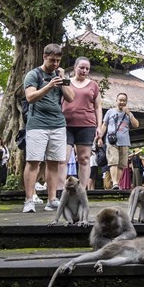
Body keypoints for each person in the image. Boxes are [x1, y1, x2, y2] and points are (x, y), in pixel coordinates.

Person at [22, 44, 74, 213]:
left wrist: (62, 79)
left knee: (54, 162)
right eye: (52, 60)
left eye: (58, 61)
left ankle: (52, 199)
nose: (55, 64)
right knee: (33, 162)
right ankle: (29, 200)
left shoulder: (59, 75)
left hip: (58, 124)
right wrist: (49, 86)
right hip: (37, 124)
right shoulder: (33, 75)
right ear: (44, 57)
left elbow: (71, 98)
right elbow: (30, 97)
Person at [60, 56, 102, 196]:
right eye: (82, 68)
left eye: (87, 69)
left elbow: (98, 107)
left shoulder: (93, 85)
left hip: (87, 124)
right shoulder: (66, 81)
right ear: (75, 67)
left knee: (84, 159)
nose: (84, 71)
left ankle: (82, 192)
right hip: (66, 124)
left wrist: (99, 126)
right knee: (63, 159)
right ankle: (61, 191)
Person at [97, 93, 140, 190]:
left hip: (124, 142)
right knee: (113, 161)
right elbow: (104, 125)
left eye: (124, 100)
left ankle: (115, 183)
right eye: (120, 100)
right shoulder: (110, 112)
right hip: (111, 141)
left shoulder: (128, 114)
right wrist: (100, 137)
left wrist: (129, 114)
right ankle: (115, 183)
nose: (122, 102)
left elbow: (136, 124)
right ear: (116, 100)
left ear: (126, 102)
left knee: (121, 164)